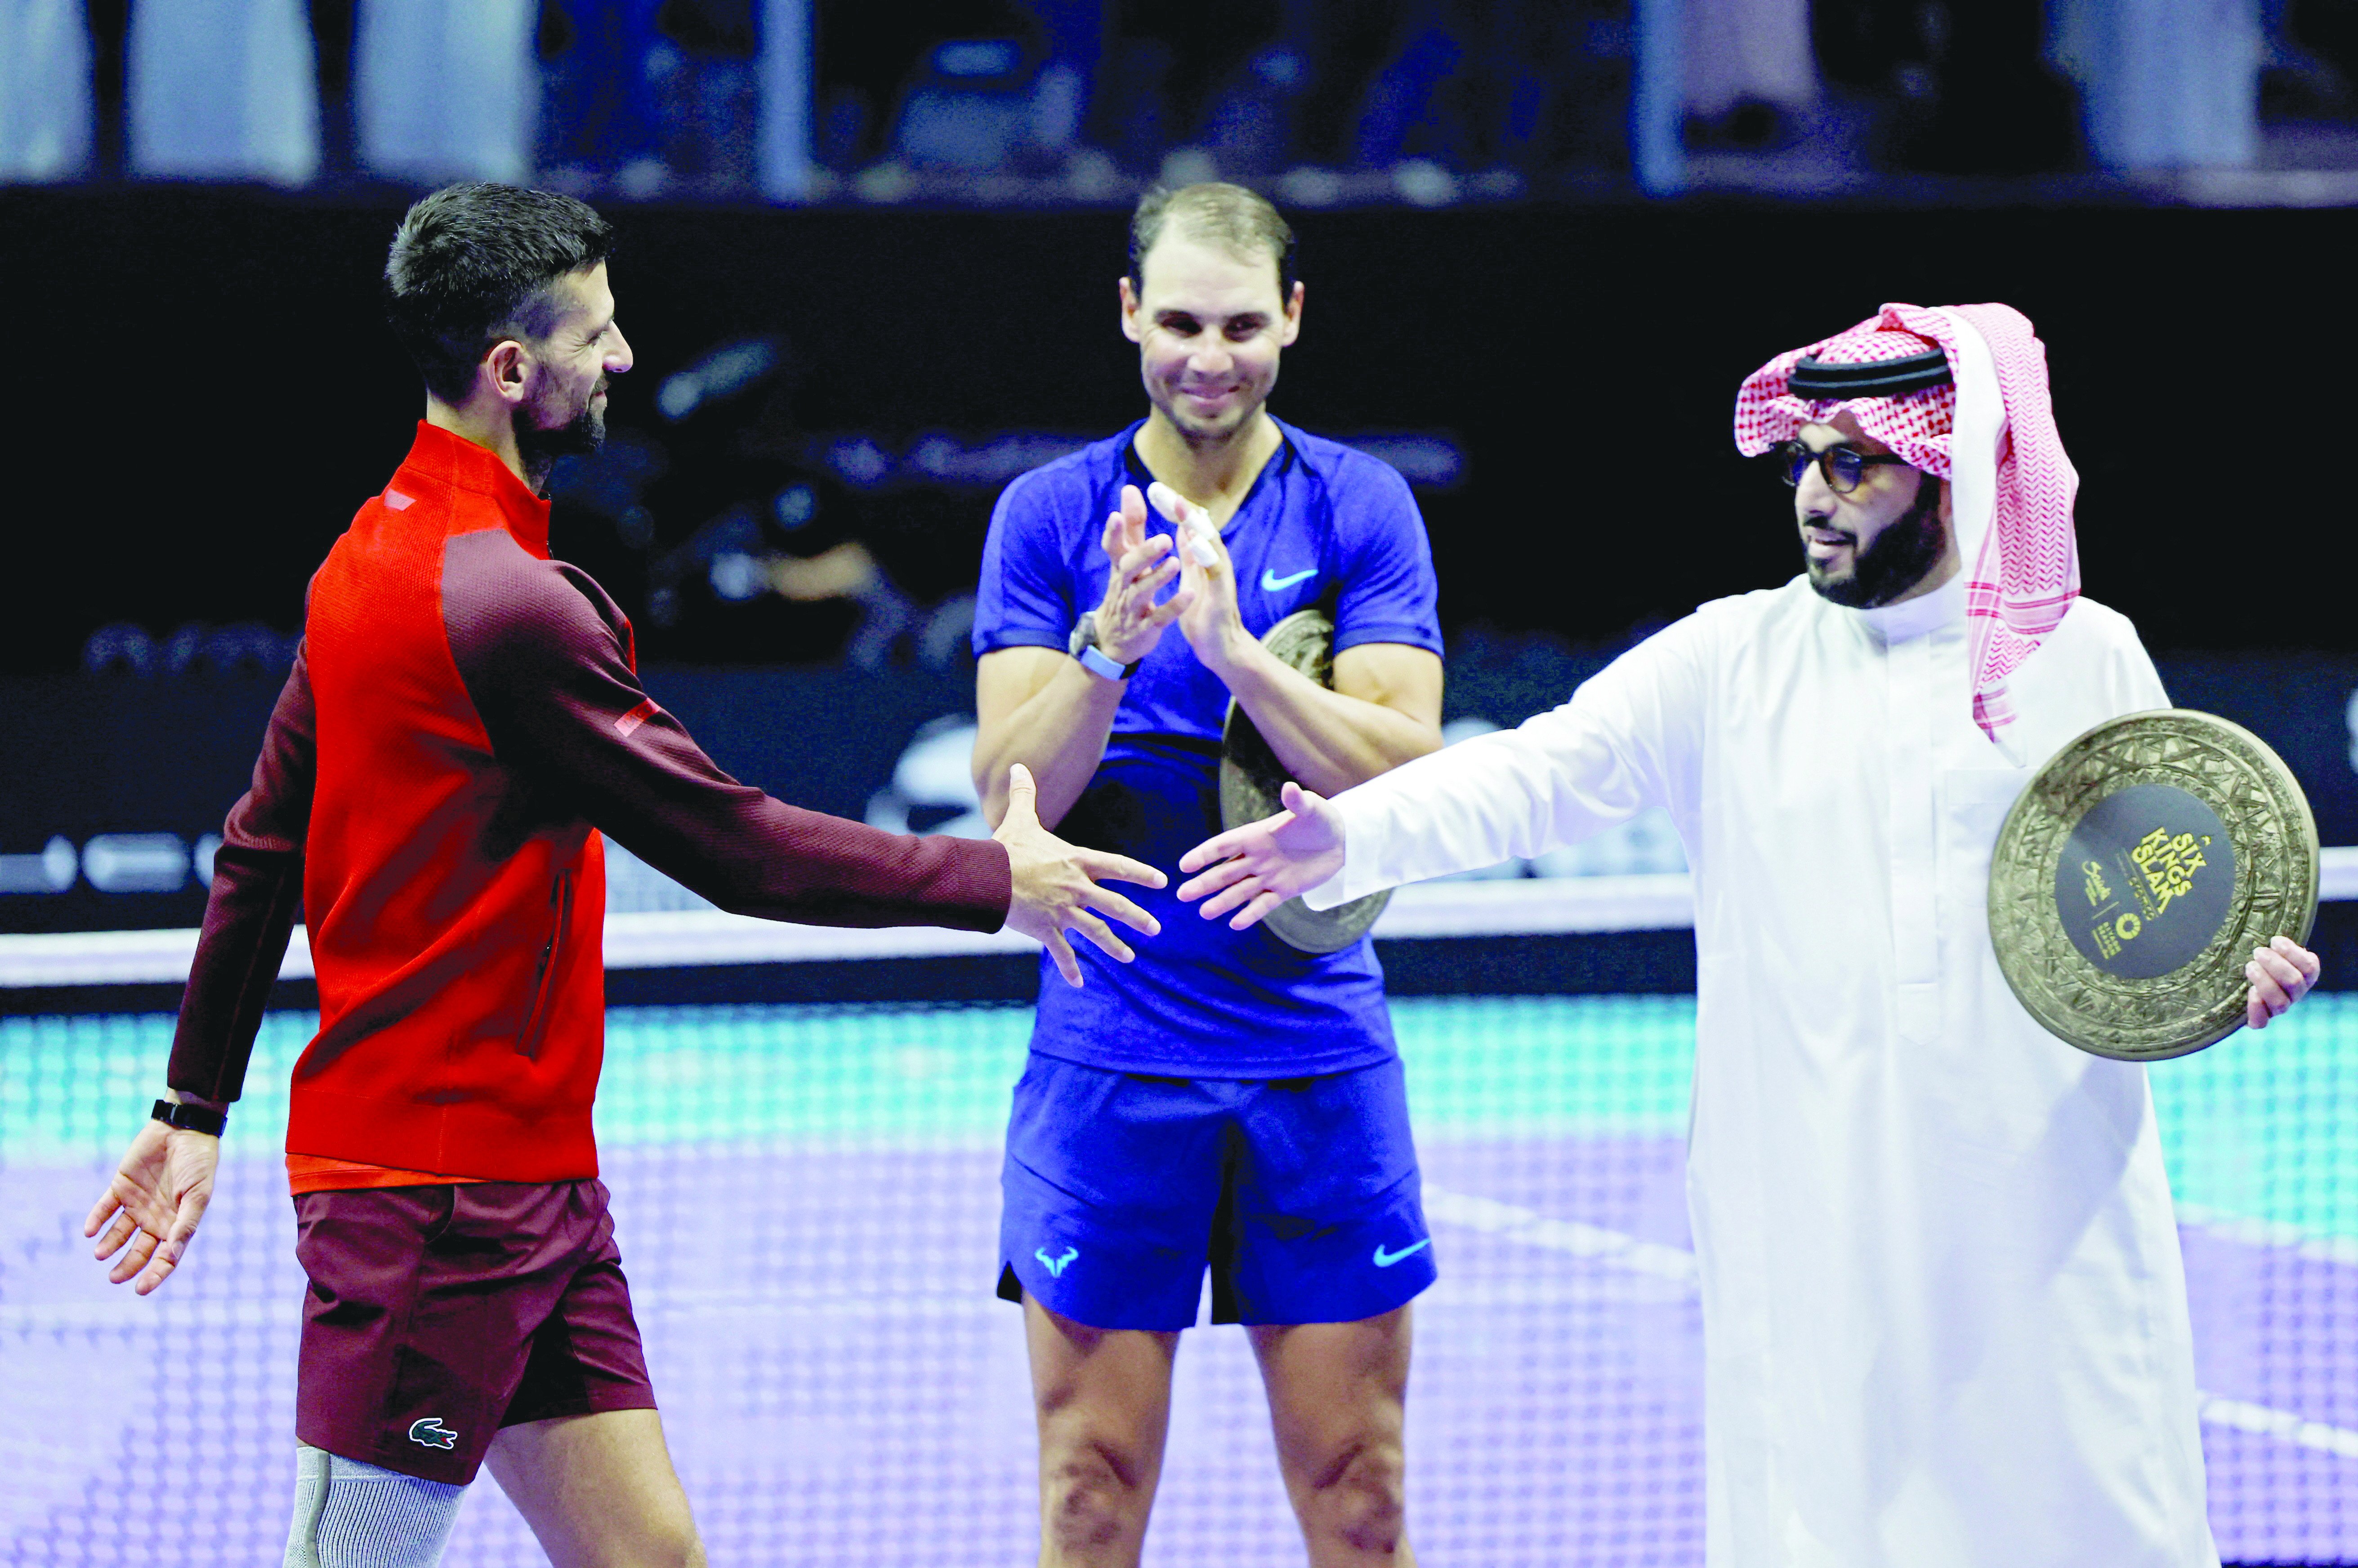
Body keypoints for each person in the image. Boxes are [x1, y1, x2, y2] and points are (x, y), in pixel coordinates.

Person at [82, 182, 1162, 1568]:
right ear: (512, 370)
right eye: (597, 335)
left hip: (534, 1190)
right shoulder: (505, 604)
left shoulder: (369, 557)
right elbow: (738, 845)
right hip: (433, 1203)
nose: (626, 360)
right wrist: (988, 878)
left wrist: (192, 1101)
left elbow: (259, 847)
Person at [1177, 302, 2324, 1568]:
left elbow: (2167, 892)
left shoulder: (2083, 656)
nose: (1813, 497)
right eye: (1802, 462)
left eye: (1854, 462)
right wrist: (1351, 839)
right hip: (1808, 1218)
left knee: (2077, 1511)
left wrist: (2234, 966)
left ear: (1946, 472)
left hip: (2039, 1220)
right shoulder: (1730, 661)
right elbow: (1536, 771)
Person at [969, 182, 1445, 1567]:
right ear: (1127, 314)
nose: (1207, 356)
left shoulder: (1360, 506)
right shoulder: (1050, 514)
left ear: (1291, 319)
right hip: (1113, 1055)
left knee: (1360, 1494)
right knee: (1088, 1494)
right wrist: (1108, 649)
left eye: (1241, 324)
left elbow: (1403, 774)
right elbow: (1013, 799)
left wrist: (1235, 650)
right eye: (1176, 321)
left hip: (1315, 1053)